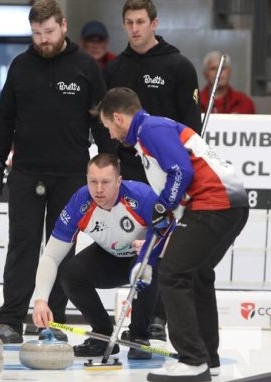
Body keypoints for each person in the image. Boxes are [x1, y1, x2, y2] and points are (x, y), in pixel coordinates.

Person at [0, 0, 116, 344]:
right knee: (22, 246)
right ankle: (10, 320)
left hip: (72, 173)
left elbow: (102, 124)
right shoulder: (20, 66)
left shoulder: (85, 67)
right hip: (27, 171)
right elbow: (5, 122)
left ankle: (51, 322)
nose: (43, 39)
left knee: (61, 248)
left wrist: (109, 165)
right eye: (36, 33)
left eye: (49, 32)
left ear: (63, 26)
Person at [98, 87, 249, 382]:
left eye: (108, 127)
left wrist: (163, 203)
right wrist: (164, 209)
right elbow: (177, 185)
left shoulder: (150, 129)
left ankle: (192, 360)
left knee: (173, 273)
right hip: (231, 204)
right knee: (197, 274)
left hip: (214, 204)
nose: (111, 135)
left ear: (118, 118)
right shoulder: (154, 131)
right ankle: (208, 356)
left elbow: (181, 172)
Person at [103, 0, 202, 340]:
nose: (134, 28)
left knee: (164, 246)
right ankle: (138, 321)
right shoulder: (115, 68)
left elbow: (192, 127)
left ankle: (158, 318)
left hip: (167, 172)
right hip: (130, 171)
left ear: (154, 23)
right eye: (128, 22)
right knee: (137, 245)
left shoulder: (178, 65)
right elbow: (109, 127)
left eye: (141, 21)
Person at [32, 153, 172, 358]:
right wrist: (40, 301)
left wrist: (154, 246)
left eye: (105, 182)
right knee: (71, 273)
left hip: (141, 257)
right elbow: (51, 257)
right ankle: (102, 334)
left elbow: (175, 236)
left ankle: (139, 336)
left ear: (118, 181)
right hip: (110, 259)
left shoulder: (141, 197)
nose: (98, 189)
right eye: (93, 181)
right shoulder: (80, 202)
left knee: (148, 263)